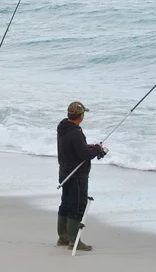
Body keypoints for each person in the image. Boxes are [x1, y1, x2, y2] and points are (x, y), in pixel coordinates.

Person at [56, 101, 106, 251]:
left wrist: (90, 147)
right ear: (80, 116)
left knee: (66, 204)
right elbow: (84, 154)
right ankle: (73, 240)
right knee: (77, 206)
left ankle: (63, 238)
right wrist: (97, 149)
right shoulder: (75, 132)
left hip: (65, 172)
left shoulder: (63, 128)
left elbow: (77, 149)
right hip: (77, 175)